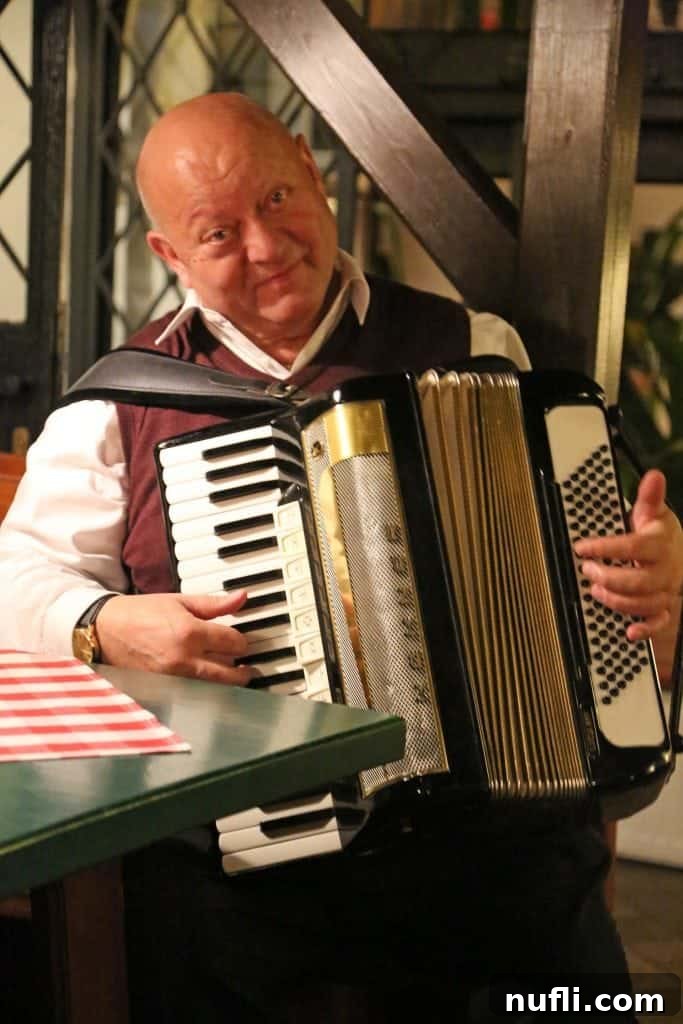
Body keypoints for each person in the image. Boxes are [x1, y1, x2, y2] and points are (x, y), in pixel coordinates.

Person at [0, 92, 681, 1022]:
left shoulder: (475, 349)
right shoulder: (114, 404)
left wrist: (647, 576)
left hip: (495, 854)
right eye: (217, 233)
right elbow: (14, 583)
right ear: (170, 256)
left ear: (316, 182)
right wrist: (105, 623)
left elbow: (585, 586)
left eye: (277, 200)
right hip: (246, 868)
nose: (267, 246)